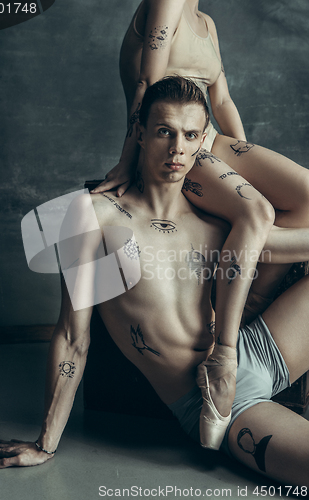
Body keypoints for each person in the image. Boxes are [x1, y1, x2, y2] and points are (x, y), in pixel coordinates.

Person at [0, 77, 309, 487]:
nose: (177, 150)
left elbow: (287, 232)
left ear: (204, 139)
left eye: (190, 136)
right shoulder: (94, 216)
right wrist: (46, 442)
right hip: (215, 401)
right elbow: (71, 335)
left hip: (257, 347)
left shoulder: (217, 216)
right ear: (138, 131)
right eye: (164, 132)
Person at [90, 0, 309, 441]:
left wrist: (243, 171)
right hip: (176, 142)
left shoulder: (205, 22)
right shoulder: (164, 3)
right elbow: (147, 82)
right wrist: (127, 159)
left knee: (303, 197)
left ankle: (250, 308)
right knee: (258, 212)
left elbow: (221, 97)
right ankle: (225, 354)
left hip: (211, 141)